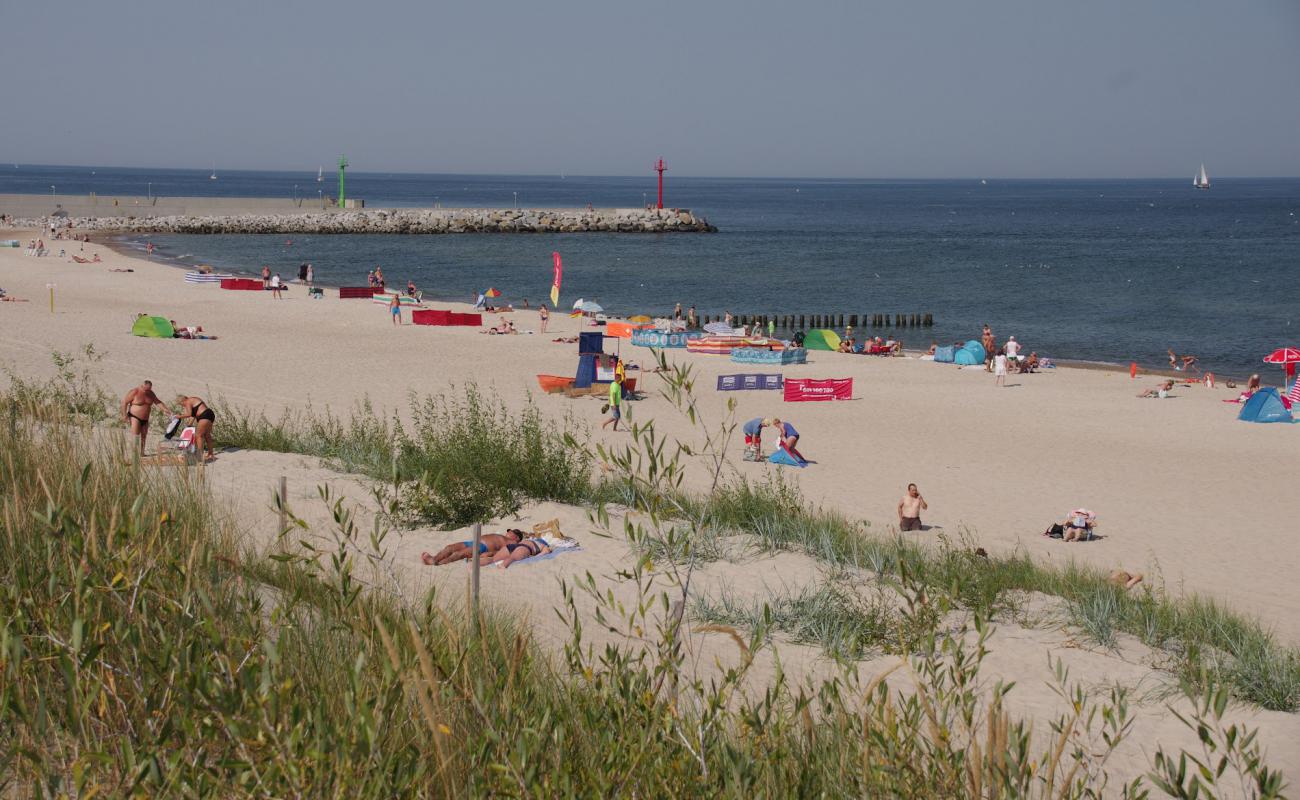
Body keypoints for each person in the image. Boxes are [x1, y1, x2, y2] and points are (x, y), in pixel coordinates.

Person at [121, 380, 172, 456]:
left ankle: (142, 453)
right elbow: (124, 402)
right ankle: (134, 453)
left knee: (144, 435)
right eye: (147, 389)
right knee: (135, 435)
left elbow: (157, 402)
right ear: (143, 385)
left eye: (149, 389)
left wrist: (165, 409)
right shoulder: (135, 391)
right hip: (134, 416)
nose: (148, 390)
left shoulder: (151, 393)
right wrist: (124, 415)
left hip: (145, 419)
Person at [421, 529, 524, 566]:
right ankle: (434, 559)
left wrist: (487, 554)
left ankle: (436, 563)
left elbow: (502, 552)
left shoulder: (513, 544)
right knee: (449, 547)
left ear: (516, 537)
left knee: (458, 554)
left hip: (482, 546)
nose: (508, 532)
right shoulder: (503, 536)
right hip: (474, 542)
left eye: (510, 531)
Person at [173, 395, 217, 461]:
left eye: (181, 404)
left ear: (182, 401)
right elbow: (192, 417)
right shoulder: (193, 401)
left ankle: (199, 455)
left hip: (204, 415)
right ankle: (210, 454)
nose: (183, 406)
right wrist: (188, 427)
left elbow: (189, 414)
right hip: (209, 414)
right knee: (207, 435)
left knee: (198, 435)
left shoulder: (188, 401)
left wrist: (178, 416)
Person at [481, 535, 552, 569]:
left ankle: (476, 564)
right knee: (512, 558)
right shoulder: (542, 545)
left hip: (512, 546)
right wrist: (536, 556)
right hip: (524, 548)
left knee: (493, 559)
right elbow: (546, 551)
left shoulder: (526, 540)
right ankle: (502, 566)